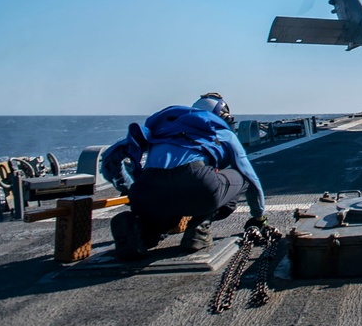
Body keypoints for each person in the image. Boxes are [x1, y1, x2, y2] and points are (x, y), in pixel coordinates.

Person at [101, 93, 266, 260]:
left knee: (161, 218)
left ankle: (143, 233)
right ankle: (198, 230)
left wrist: (128, 187)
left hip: (148, 189)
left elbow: (110, 157)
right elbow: (250, 177)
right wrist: (258, 217)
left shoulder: (161, 129)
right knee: (240, 178)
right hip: (196, 183)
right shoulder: (221, 131)